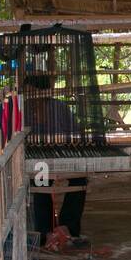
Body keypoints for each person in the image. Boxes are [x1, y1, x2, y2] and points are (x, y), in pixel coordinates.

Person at [23, 73, 89, 248]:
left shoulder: (59, 108)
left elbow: (76, 134)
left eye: (33, 92)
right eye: (27, 92)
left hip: (63, 157)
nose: (30, 97)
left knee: (79, 179)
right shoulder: (23, 111)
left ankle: (68, 228)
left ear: (44, 92)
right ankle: (45, 233)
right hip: (38, 160)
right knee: (41, 182)